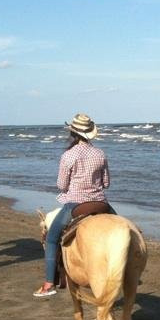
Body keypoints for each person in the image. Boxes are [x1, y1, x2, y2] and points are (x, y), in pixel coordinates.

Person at [34, 113, 111, 298]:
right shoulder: (100, 153)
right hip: (100, 203)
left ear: (73, 133)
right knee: (128, 228)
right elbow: (106, 183)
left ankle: (49, 284)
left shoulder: (68, 155)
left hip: (76, 205)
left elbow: (61, 185)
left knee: (52, 239)